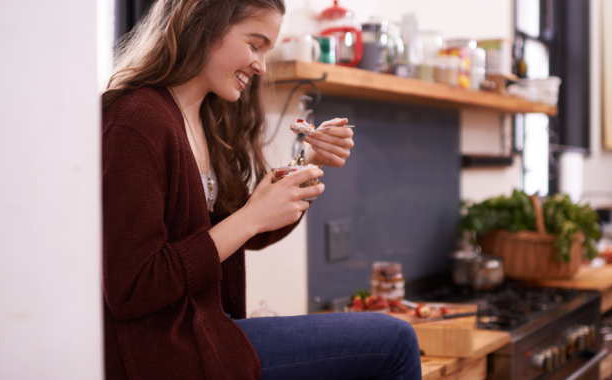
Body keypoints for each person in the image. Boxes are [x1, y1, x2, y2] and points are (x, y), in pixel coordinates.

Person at [101, 0, 422, 379]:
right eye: (255, 45)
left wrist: (309, 160)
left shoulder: (199, 117)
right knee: (395, 341)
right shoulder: (137, 121)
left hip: (209, 331)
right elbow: (133, 286)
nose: (261, 66)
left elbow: (228, 230)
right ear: (203, 25)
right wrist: (251, 218)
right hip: (170, 353)